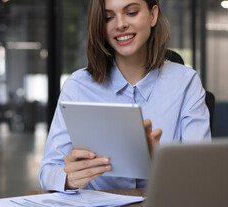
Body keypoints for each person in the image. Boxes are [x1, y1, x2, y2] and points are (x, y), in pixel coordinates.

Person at [40, 0, 211, 192]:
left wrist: (161, 162)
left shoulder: (186, 82)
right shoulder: (78, 86)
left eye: (131, 12)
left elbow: (200, 174)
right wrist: (69, 178)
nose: (120, 24)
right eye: (108, 17)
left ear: (153, 15)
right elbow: (48, 172)